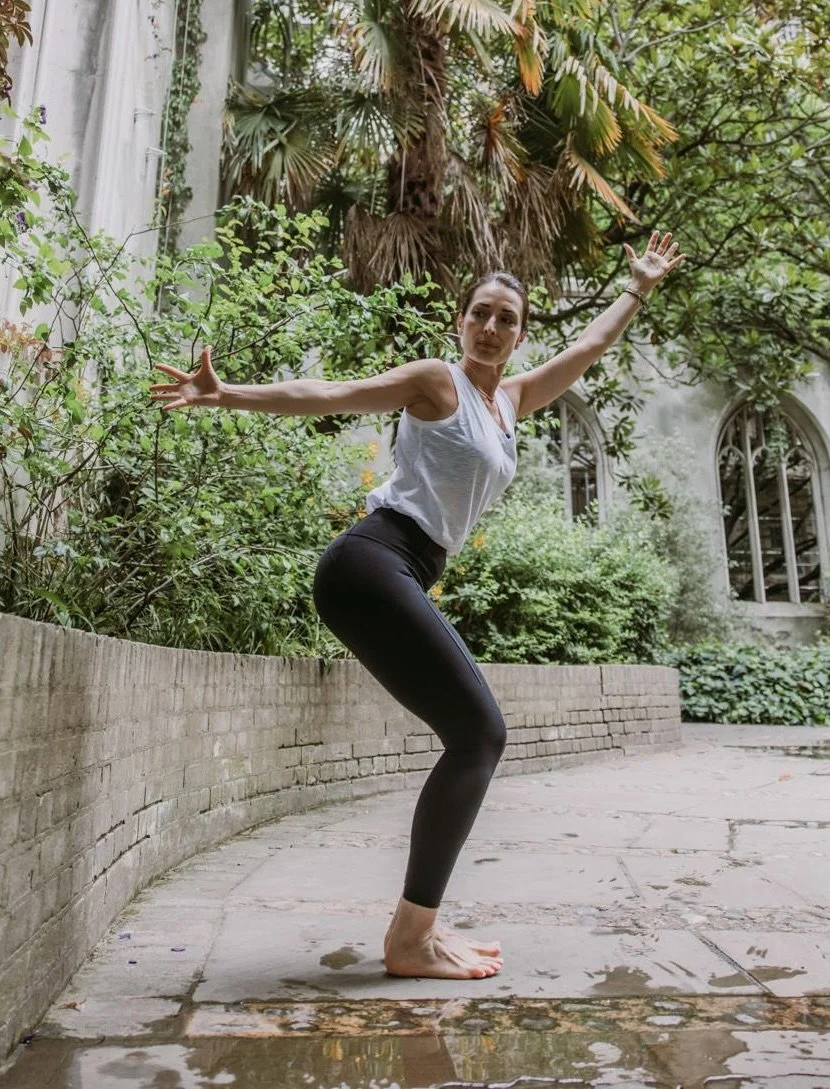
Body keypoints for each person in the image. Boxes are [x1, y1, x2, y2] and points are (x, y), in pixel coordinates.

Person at [150, 230, 685, 980]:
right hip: (371, 561)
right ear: (460, 320)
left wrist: (638, 287)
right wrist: (224, 391)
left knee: (474, 735)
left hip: (398, 567)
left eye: (508, 318)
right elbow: (335, 394)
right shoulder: (439, 382)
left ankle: (417, 931)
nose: (493, 327)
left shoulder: (515, 399)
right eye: (481, 313)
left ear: (522, 331)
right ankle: (412, 937)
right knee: (480, 733)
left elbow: (590, 347)